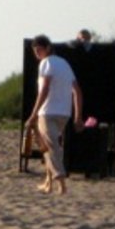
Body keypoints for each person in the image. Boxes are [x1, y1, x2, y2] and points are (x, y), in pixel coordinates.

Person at [26, 35, 83, 196]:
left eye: (39, 50)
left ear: (48, 48)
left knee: (52, 148)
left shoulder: (46, 63)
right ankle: (48, 183)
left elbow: (44, 89)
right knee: (47, 147)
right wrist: (77, 116)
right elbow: (77, 91)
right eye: (35, 51)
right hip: (64, 113)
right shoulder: (64, 64)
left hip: (48, 112)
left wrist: (33, 114)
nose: (37, 53)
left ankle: (61, 183)